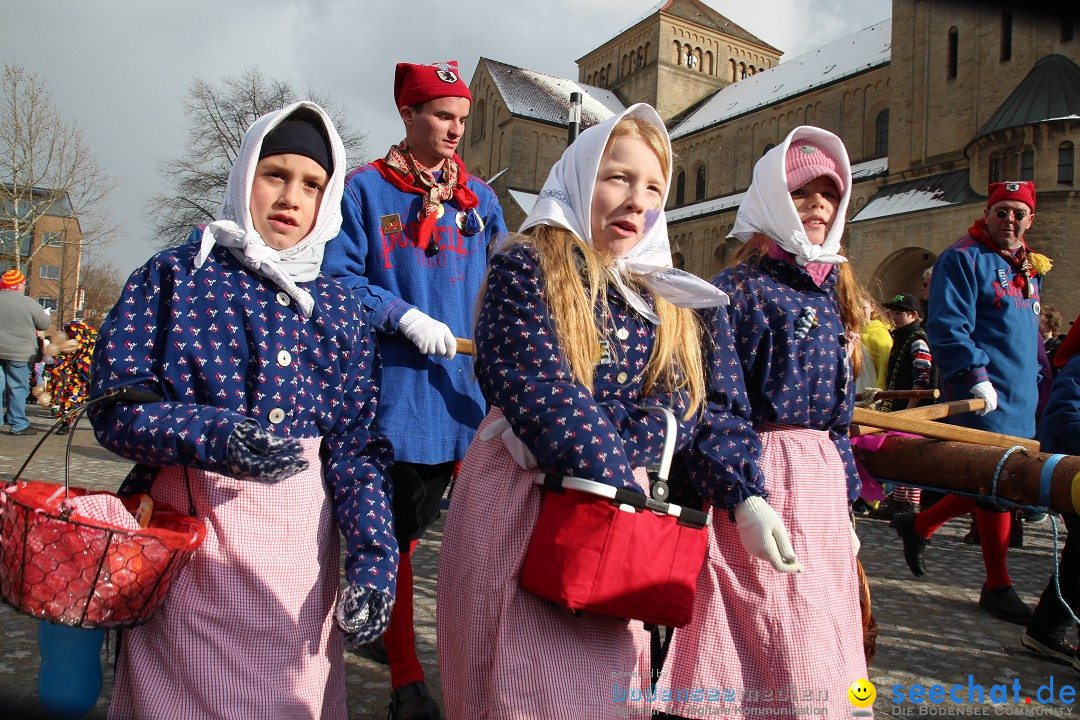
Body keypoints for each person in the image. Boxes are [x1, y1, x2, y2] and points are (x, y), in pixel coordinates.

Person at [88, 102, 397, 719]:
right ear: (244, 175)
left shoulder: (339, 309)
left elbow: (358, 451)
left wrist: (374, 558)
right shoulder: (178, 275)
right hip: (191, 551)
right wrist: (210, 432)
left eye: (312, 184)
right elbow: (115, 402)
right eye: (274, 174)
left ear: (328, 197)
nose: (291, 196)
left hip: (297, 568)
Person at [437, 104, 727, 720]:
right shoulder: (529, 267)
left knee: (601, 679)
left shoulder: (665, 297)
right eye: (617, 178)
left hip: (619, 509)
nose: (636, 201)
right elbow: (537, 384)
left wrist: (633, 474)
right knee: (516, 675)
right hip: (524, 495)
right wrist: (622, 473)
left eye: (652, 187)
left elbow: (681, 400)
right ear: (581, 176)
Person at [658, 127, 866, 719]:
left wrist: (847, 501)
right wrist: (743, 495)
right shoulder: (737, 292)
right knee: (771, 627)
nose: (818, 204)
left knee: (828, 633)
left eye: (829, 192)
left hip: (821, 491)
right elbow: (718, 403)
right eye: (803, 192)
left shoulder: (832, 295)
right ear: (774, 200)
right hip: (764, 479)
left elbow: (840, 418)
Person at [322, 59, 507, 720]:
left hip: (469, 399)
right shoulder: (365, 192)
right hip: (399, 400)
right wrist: (400, 314)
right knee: (393, 540)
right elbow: (337, 281)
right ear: (408, 114)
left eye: (462, 119)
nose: (455, 129)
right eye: (441, 116)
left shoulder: (479, 202)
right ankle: (406, 681)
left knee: (470, 544)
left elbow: (505, 284)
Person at [893, 180, 1050, 625]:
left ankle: (920, 525)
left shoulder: (1030, 267)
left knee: (999, 485)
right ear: (988, 213)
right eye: (1001, 211)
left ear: (1030, 219)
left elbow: (1030, 337)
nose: (1010, 220)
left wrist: (1045, 381)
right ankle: (997, 585)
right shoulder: (962, 258)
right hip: (985, 395)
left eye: (1018, 212)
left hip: (1021, 395)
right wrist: (976, 376)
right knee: (1000, 483)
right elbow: (947, 326)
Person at [1022, 313, 1080, 666]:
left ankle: (1045, 629)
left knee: (1078, 560)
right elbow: (1065, 411)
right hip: (1071, 474)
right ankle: (1046, 630)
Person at [869, 292, 934, 519]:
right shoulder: (901, 336)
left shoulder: (917, 339)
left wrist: (910, 410)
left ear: (914, 314)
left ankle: (908, 503)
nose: (894, 317)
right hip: (898, 404)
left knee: (909, 453)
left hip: (910, 407)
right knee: (898, 451)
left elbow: (921, 377)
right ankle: (898, 500)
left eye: (899, 313)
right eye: (893, 312)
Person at [0, 269, 51, 436]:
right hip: (20, 353)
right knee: (17, 388)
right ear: (18, 285)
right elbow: (43, 324)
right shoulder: (28, 303)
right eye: (23, 284)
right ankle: (18, 423)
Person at [43, 320, 97, 434]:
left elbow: (88, 367)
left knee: (76, 401)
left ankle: (67, 423)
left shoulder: (87, 354)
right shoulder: (63, 351)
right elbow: (54, 364)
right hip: (64, 381)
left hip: (80, 381)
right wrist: (50, 361)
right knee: (62, 401)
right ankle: (64, 422)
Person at [1040, 303, 1065, 373]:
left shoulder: (1058, 348)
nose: (1036, 324)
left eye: (1041, 321)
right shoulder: (1030, 344)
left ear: (1051, 323)